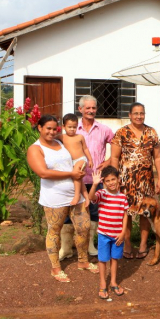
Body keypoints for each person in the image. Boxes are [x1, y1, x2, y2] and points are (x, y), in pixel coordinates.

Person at [26, 114, 98, 283]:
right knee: (54, 231)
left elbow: (76, 155)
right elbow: (43, 172)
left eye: (54, 128)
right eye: (48, 128)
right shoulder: (35, 149)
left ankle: (83, 261)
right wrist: (71, 173)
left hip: (76, 194)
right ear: (40, 128)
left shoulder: (60, 142)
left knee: (84, 227)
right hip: (54, 198)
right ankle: (55, 268)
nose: (51, 132)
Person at [59, 95, 114, 259]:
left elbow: (117, 146)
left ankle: (90, 245)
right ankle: (66, 248)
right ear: (80, 109)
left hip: (96, 179)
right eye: (87, 108)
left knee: (95, 212)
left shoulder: (104, 129)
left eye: (93, 108)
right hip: (74, 179)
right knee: (69, 210)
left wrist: (109, 161)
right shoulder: (73, 128)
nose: (91, 111)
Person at [110, 102, 160, 260]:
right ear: (130, 115)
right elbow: (114, 157)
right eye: (136, 113)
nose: (139, 116)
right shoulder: (121, 133)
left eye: (142, 113)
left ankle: (143, 244)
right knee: (126, 212)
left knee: (145, 213)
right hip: (126, 180)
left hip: (146, 180)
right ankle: (127, 243)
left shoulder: (151, 132)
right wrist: (115, 178)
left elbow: (158, 157)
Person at [89, 166, 128, 299]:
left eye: (113, 179)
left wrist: (123, 233)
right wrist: (94, 185)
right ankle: (102, 283)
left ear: (118, 180)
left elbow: (125, 215)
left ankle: (113, 282)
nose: (111, 182)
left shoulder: (122, 197)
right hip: (104, 234)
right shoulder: (102, 194)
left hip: (117, 235)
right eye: (108, 181)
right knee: (102, 259)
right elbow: (91, 197)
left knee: (115, 258)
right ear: (103, 183)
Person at [60, 113, 93, 207]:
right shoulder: (62, 137)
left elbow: (85, 149)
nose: (72, 129)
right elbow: (51, 139)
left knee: (76, 176)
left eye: (74, 127)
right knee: (80, 180)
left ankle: (77, 195)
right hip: (71, 162)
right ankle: (86, 197)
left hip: (81, 159)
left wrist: (90, 160)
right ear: (63, 126)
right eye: (69, 127)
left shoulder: (79, 137)